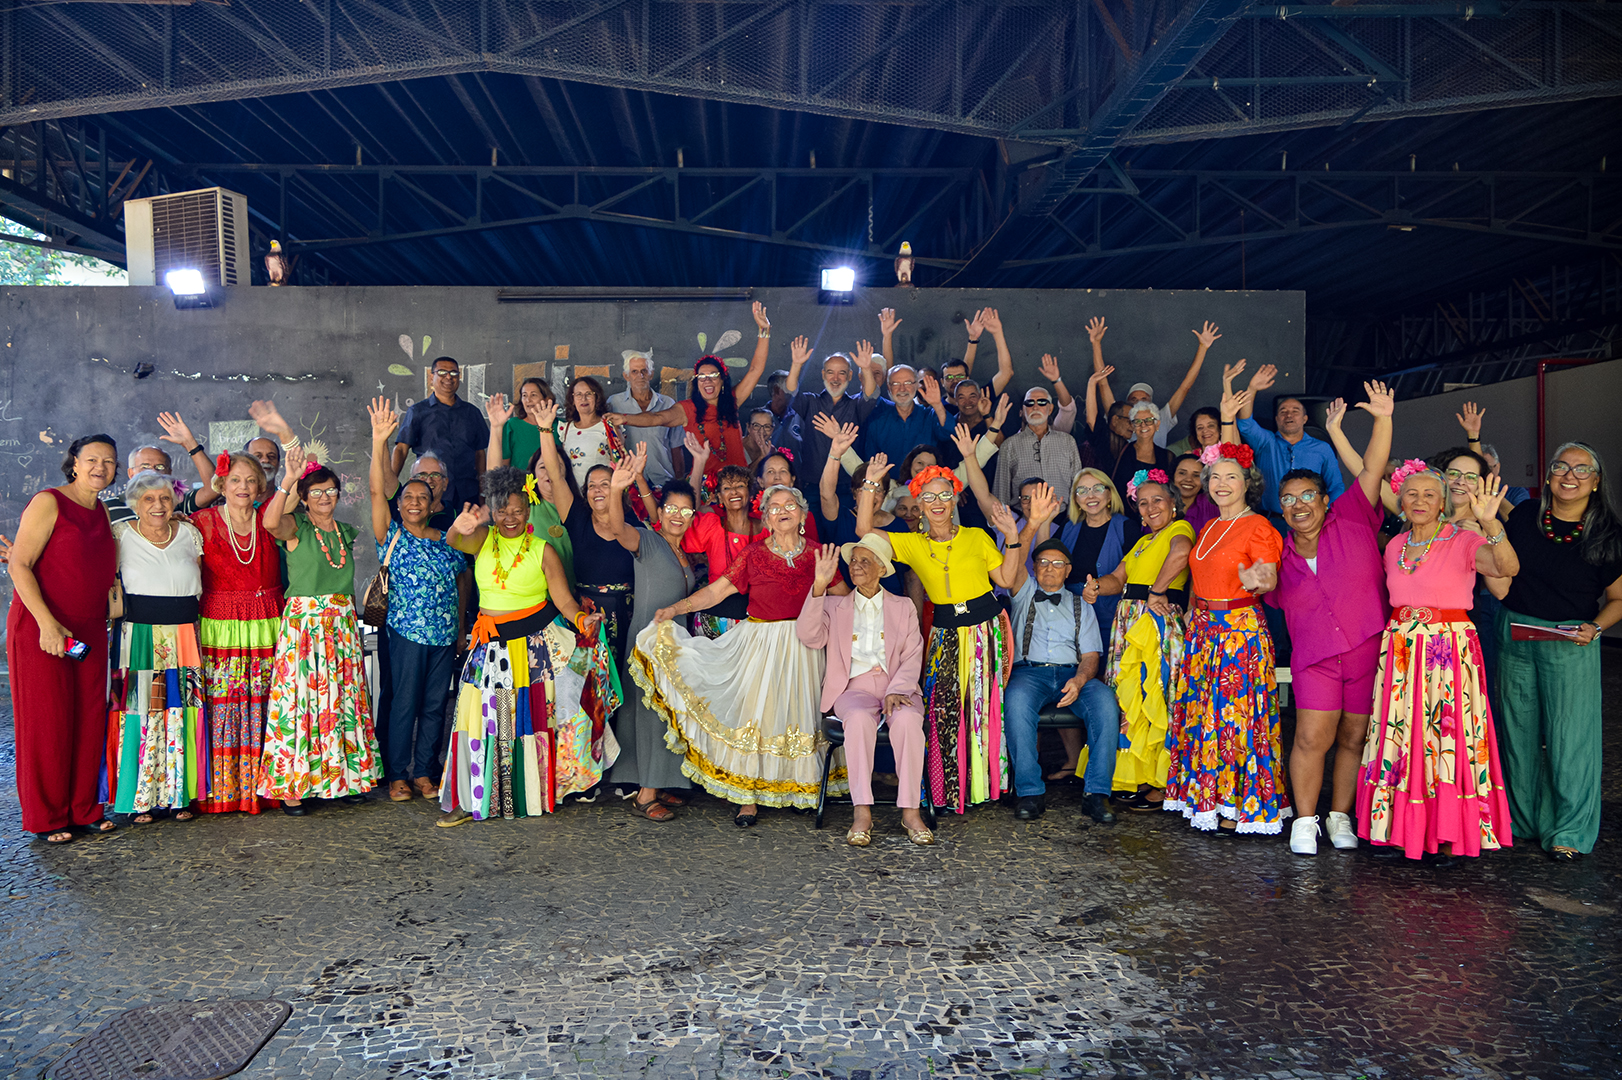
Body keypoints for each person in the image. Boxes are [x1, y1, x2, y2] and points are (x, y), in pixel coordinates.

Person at [636, 485, 842, 823]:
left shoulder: (819, 555)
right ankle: (748, 797)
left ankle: (801, 788)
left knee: (799, 715)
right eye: (774, 507)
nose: (783, 510)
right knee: (757, 718)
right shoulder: (754, 554)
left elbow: (844, 599)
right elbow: (716, 591)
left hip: (806, 647)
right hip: (761, 644)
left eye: (790, 505)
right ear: (766, 519)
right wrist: (676, 608)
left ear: (803, 515)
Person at [437, 468, 621, 825]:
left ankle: (521, 795)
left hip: (532, 650)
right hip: (489, 650)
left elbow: (564, 600)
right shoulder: (484, 539)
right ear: (492, 511)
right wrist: (458, 526)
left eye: (518, 510)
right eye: (502, 510)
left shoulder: (542, 550)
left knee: (521, 721)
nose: (510, 517)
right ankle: (475, 797)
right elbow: (455, 542)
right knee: (481, 721)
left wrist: (581, 620)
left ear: (528, 510)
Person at [1359, 462, 1518, 859]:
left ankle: (1447, 832)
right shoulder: (1394, 546)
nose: (1420, 501)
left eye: (1430, 494)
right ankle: (1394, 828)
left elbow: (1508, 568)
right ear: (1401, 501)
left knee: (1445, 736)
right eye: (1412, 494)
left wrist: (1491, 523)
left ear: (1443, 502)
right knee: (1401, 735)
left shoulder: (1463, 540)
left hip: (1447, 650)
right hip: (1401, 650)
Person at [1266, 381, 1394, 856]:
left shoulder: (1354, 516)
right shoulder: (1278, 554)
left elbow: (1374, 467)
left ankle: (1340, 815)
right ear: (1281, 507)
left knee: (1354, 736)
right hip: (1316, 658)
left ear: (1325, 499)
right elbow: (1263, 586)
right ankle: (1305, 820)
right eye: (1289, 499)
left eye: (1307, 496)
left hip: (1365, 649)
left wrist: (1382, 420)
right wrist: (1258, 578)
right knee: (1310, 737)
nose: (1298, 505)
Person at [858, 457, 1024, 814]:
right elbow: (864, 530)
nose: (937, 503)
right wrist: (870, 484)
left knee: (983, 711)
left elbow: (1007, 580)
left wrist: (1012, 538)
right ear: (919, 504)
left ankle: (984, 788)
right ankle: (946, 789)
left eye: (945, 495)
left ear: (955, 500)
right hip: (945, 633)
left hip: (986, 629)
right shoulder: (913, 544)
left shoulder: (976, 537)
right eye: (929, 496)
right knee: (942, 711)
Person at [1164, 402, 1291, 835]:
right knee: (1206, 717)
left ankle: (1240, 803)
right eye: (1215, 477)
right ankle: (1208, 798)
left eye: (1230, 477)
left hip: (1238, 633)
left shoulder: (1258, 527)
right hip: (1204, 632)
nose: (1221, 484)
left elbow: (1267, 573)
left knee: (1235, 718)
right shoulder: (1209, 526)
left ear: (1247, 483)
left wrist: (1260, 579)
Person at [1494, 443, 1622, 861]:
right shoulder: (1525, 516)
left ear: (1596, 481)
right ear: (1549, 476)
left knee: (1570, 738)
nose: (1570, 475)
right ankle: (1523, 820)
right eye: (1561, 467)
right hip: (1515, 634)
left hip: (1570, 642)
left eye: (1581, 469)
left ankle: (1569, 828)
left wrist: (1596, 627)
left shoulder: (1608, 533)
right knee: (1518, 733)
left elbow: (1618, 598)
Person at [6, 435, 121, 843]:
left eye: (108, 461)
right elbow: (19, 565)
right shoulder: (49, 501)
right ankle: (47, 816)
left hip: (89, 629)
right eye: (91, 459)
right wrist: (47, 624)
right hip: (43, 628)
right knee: (47, 722)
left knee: (88, 719)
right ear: (74, 462)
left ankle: (83, 809)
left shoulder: (102, 509)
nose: (100, 467)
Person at [259, 448, 380, 814]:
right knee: (299, 703)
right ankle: (292, 786)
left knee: (343, 702)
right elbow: (269, 523)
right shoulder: (296, 527)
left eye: (330, 490)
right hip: (305, 628)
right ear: (305, 497)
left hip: (341, 626)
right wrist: (288, 480)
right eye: (316, 491)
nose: (325, 497)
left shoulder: (344, 532)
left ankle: (345, 778)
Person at [795, 533, 933, 846]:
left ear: (882, 569)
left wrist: (898, 688)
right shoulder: (834, 605)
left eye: (864, 561)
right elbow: (809, 635)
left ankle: (911, 812)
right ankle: (862, 812)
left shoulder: (903, 607)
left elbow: (913, 653)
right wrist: (819, 585)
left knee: (908, 721)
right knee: (857, 720)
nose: (855, 566)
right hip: (853, 688)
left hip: (897, 685)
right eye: (853, 561)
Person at [1002, 488, 1121, 827]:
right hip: (1030, 674)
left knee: (1105, 704)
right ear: (1034, 567)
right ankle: (1029, 791)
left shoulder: (1081, 603)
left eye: (1057, 563)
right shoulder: (1023, 591)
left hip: (1073, 673)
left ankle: (1097, 792)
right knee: (1015, 702)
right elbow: (1017, 557)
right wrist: (1034, 522)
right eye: (1043, 563)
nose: (1050, 568)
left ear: (1068, 570)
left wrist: (1080, 680)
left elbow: (1091, 655)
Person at [368, 398, 468, 803]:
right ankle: (397, 775)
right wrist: (379, 441)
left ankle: (425, 772)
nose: (414, 502)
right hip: (406, 634)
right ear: (399, 503)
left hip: (443, 636)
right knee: (404, 705)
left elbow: (462, 583)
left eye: (421, 498)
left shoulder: (449, 540)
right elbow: (376, 490)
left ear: (432, 505)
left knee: (434, 706)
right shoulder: (391, 535)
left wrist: (460, 629)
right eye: (407, 497)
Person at [1083, 471, 1194, 811]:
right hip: (1131, 623)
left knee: (1156, 694)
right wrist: (1096, 586)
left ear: (1173, 503)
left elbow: (1182, 553)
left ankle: (1164, 782)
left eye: (1157, 500)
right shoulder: (1144, 541)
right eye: (1143, 503)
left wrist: (1157, 591)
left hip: (1155, 622)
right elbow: (1119, 579)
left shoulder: (1179, 529)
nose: (1150, 507)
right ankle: (1141, 776)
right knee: (1132, 700)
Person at [105, 471, 207, 824]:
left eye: (164, 498)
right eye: (148, 499)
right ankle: (140, 798)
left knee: (183, 712)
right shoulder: (120, 535)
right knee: (138, 715)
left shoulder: (190, 533)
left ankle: (179, 795)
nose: (158, 505)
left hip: (184, 636)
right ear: (135, 504)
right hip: (138, 637)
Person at [606, 469, 702, 822]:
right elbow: (617, 528)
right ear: (660, 512)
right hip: (647, 644)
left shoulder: (683, 552)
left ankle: (658, 783)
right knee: (649, 715)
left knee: (666, 714)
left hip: (673, 646)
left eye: (686, 510)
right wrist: (617, 489)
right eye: (671, 509)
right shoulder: (647, 541)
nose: (678, 516)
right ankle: (644, 794)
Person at [194, 452, 285, 815]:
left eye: (250, 480)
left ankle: (272, 785)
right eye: (235, 480)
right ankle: (226, 789)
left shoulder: (272, 519)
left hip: (267, 623)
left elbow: (294, 495)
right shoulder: (201, 522)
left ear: (260, 485)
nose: (243, 487)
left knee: (269, 704)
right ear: (221, 484)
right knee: (225, 707)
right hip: (221, 627)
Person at [605, 302, 772, 478]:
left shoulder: (733, 400)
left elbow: (756, 370)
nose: (707, 380)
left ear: (722, 379)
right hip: (706, 488)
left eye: (713, 375)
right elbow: (657, 417)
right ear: (697, 382)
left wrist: (764, 330)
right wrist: (624, 418)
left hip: (739, 484)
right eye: (702, 376)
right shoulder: (686, 409)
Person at [1231, 361, 1345, 515]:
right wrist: (1252, 389)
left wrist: (1325, 512)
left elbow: (1336, 486)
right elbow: (1245, 423)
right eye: (1283, 411)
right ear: (1277, 419)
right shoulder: (1266, 442)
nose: (1289, 415)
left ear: (1305, 419)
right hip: (1271, 521)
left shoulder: (1322, 448)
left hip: (1311, 521)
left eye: (1295, 411)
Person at [1089, 319, 1222, 448]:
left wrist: (1203, 348)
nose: (1139, 403)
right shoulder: (1120, 419)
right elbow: (1103, 384)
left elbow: (1185, 387)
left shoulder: (1161, 419)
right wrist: (1096, 344)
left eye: (1144, 399)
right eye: (1133, 399)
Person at [393, 356, 489, 511]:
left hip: (467, 492)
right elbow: (401, 449)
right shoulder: (417, 411)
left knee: (468, 526)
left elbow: (480, 454)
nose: (449, 377)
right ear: (432, 377)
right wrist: (391, 488)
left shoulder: (472, 412)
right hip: (430, 492)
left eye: (454, 373)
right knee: (434, 527)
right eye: (442, 372)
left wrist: (482, 491)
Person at [780, 335, 879, 486]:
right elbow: (789, 392)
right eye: (830, 372)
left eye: (842, 373)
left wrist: (866, 368)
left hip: (847, 486)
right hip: (812, 484)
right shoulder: (810, 402)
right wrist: (796, 364)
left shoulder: (856, 406)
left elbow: (871, 395)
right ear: (823, 374)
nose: (835, 378)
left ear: (850, 376)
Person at [106, 413, 219, 524]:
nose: (152, 472)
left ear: (169, 473)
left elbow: (214, 488)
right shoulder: (108, 508)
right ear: (131, 473)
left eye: (160, 467)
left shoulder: (177, 502)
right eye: (145, 467)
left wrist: (190, 444)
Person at [993, 385, 1084, 508]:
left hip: (1061, 514)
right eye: (1029, 403)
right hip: (1023, 515)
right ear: (1023, 409)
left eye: (1041, 402)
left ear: (1050, 409)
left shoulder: (1067, 441)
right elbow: (1001, 489)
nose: (1035, 407)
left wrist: (1073, 516)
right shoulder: (1009, 445)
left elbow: (1077, 483)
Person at [606, 354, 683, 486]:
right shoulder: (614, 403)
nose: (640, 376)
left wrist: (679, 481)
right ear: (626, 376)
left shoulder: (668, 404)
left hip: (664, 481)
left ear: (651, 374)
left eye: (644, 371)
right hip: (630, 482)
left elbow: (676, 447)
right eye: (634, 372)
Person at [859, 361, 949, 465]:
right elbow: (870, 463)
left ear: (916, 385)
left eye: (908, 383)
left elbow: (948, 434)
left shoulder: (930, 416)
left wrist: (937, 404)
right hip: (887, 476)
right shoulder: (876, 424)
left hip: (926, 476)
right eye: (896, 384)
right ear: (889, 387)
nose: (902, 389)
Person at [556, 376, 618, 489]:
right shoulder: (566, 428)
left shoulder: (608, 426)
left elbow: (618, 463)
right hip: (573, 493)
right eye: (578, 394)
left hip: (601, 491)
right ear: (573, 399)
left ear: (597, 397)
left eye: (588, 394)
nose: (583, 399)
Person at [1109, 402, 1176, 505]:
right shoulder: (1120, 449)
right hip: (1125, 512)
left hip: (1157, 512)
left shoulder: (1168, 456)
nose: (1143, 425)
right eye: (1138, 421)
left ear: (1157, 425)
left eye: (1149, 420)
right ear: (1133, 426)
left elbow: (1172, 492)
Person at [485, 376, 556, 472]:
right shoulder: (512, 426)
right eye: (524, 395)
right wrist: (495, 426)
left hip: (553, 481)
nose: (528, 400)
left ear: (547, 399)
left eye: (533, 395)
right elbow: (501, 468)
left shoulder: (560, 426)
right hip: (519, 481)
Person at [1171, 452, 1218, 535]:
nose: (1188, 479)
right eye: (1182, 473)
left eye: (1196, 475)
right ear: (1172, 475)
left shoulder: (1210, 505)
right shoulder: (1160, 502)